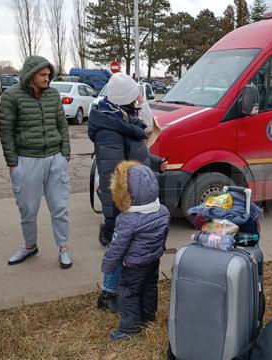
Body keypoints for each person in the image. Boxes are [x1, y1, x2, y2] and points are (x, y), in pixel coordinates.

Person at [88, 72, 165, 312]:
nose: (140, 101)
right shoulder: (109, 130)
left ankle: (117, 289)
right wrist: (114, 216)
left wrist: (154, 161)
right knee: (120, 247)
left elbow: (133, 156)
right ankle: (108, 294)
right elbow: (114, 173)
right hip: (123, 202)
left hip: (133, 199)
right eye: (136, 97)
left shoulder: (123, 118)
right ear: (126, 98)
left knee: (128, 248)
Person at [0, 55, 72, 268]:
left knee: (60, 207)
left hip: (55, 159)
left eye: (49, 74)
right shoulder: (11, 96)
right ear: (31, 74)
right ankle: (30, 246)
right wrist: (13, 163)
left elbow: (62, 126)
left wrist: (64, 154)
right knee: (28, 209)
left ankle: (64, 248)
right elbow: (6, 132)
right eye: (43, 75)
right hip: (26, 160)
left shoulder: (53, 95)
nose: (47, 78)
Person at [101, 161, 170, 340]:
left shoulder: (127, 220)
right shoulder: (162, 211)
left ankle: (129, 329)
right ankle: (148, 317)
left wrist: (108, 266)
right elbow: (164, 233)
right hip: (153, 260)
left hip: (134, 265)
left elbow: (117, 246)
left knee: (128, 292)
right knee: (149, 287)